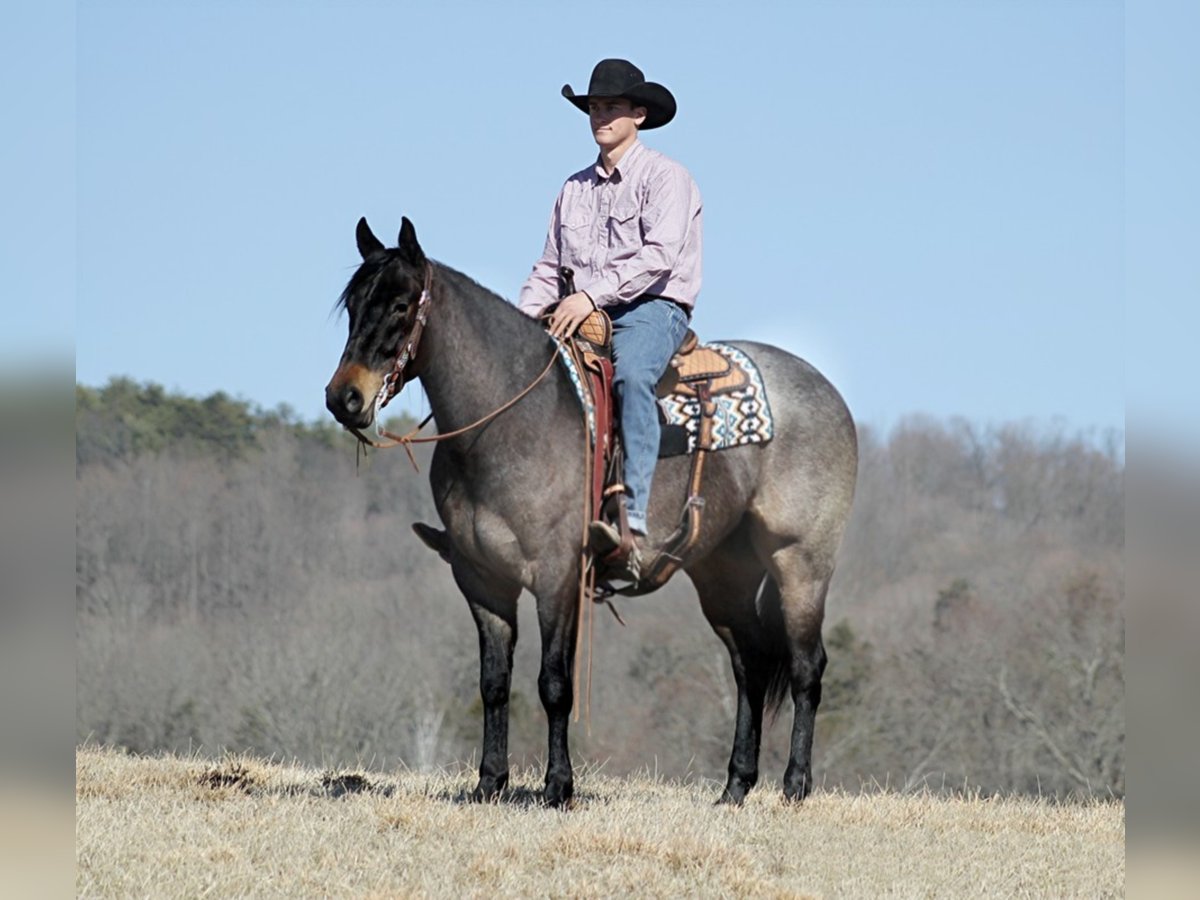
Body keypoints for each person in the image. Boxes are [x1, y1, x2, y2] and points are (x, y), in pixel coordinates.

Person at [518, 58, 703, 577]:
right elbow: (549, 266)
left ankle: (633, 521)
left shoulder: (667, 178)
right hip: (579, 308)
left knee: (631, 378)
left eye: (612, 107)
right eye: (593, 107)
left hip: (652, 308)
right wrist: (523, 321)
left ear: (638, 115)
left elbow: (658, 258)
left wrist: (590, 297)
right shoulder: (572, 189)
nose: (600, 116)